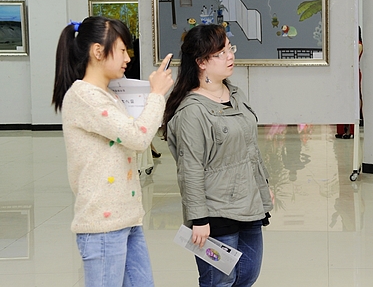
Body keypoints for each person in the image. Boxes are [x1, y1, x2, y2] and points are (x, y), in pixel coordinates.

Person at [52, 16, 174, 286]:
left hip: (126, 218)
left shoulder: (108, 94)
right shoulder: (85, 96)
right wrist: (156, 95)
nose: (127, 58)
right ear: (98, 51)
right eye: (121, 50)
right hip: (103, 225)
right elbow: (138, 137)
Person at [162, 24, 273, 287]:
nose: (230, 56)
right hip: (215, 212)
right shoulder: (192, 111)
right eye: (221, 53)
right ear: (201, 62)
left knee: (248, 274)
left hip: (248, 203)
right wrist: (199, 219)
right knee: (220, 281)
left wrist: (263, 186)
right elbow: (190, 169)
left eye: (229, 48)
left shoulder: (235, 94)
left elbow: (250, 148)